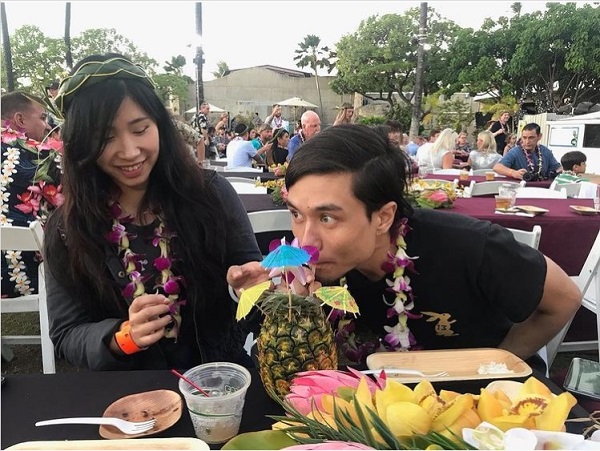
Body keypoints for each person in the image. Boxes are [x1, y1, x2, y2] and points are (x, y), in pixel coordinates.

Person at [275, 124, 580, 370]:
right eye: (296, 214)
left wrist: (491, 364)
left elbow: (564, 298)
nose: (306, 241)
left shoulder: (469, 246)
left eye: (327, 218)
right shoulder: (311, 267)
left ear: (383, 217)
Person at [44, 54, 263, 371]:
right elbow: (66, 334)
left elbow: (255, 299)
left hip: (219, 386)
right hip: (130, 399)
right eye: (105, 137)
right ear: (80, 145)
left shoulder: (211, 195)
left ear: (160, 126)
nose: (130, 151)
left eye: (140, 128)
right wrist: (124, 337)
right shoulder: (68, 227)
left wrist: (253, 288)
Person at [1, 91, 63, 298]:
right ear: (20, 120)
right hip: (26, 276)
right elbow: (76, 198)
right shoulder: (38, 155)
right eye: (43, 117)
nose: (47, 126)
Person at [493, 123, 562, 181]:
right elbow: (497, 167)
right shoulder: (515, 152)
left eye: (531, 138)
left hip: (543, 190)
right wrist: (513, 173)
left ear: (539, 136)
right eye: (524, 137)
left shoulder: (545, 151)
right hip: (520, 189)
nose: (527, 141)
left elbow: (558, 168)